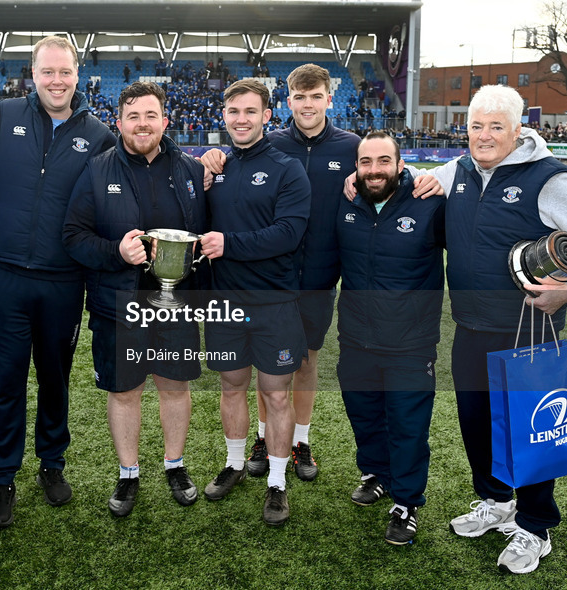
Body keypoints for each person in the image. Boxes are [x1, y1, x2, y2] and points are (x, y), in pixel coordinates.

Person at [399, 85, 567, 573]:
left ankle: (535, 527)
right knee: (477, 424)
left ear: (518, 130)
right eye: (476, 126)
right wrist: (365, 178)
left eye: (496, 126)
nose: (484, 135)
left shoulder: (548, 178)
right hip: (470, 326)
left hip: (530, 330)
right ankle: (496, 503)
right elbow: (410, 177)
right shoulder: (457, 171)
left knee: (536, 430)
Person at [0, 36, 116, 529]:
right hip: (5, 276)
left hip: (64, 282)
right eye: (47, 71)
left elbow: (141, 162)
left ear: (79, 73)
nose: (56, 81)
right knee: (5, 383)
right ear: (32, 73)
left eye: (65, 72)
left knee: (55, 382)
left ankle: (52, 465)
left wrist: (206, 162)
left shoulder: (98, 135)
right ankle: (2, 479)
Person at [201, 63, 360, 482]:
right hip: (265, 276)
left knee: (304, 360)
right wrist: (212, 157)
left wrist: (424, 180)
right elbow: (234, 163)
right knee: (262, 363)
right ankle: (263, 436)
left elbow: (389, 172)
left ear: (329, 98)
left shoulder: (351, 146)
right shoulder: (268, 143)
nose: (307, 105)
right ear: (286, 103)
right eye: (299, 97)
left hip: (318, 273)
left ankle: (299, 441)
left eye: (316, 96)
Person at [63, 81, 208, 517]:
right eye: (133, 117)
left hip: (175, 304)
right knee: (125, 390)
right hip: (117, 303)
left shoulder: (190, 170)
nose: (142, 124)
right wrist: (115, 252)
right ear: (119, 122)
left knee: (174, 386)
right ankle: (128, 473)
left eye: (150, 116)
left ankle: (175, 465)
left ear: (165, 121)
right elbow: (72, 237)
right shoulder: (97, 170)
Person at [199, 79, 311, 526]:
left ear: (267, 115)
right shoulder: (213, 167)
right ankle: (233, 463)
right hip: (224, 303)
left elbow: (289, 233)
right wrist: (203, 174)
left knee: (276, 393)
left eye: (250, 111)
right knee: (230, 385)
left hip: (274, 304)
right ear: (223, 117)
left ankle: (278, 483)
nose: (241, 119)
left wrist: (230, 244)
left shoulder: (287, 169)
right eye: (233, 112)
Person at [336, 132, 445, 546]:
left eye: (384, 161)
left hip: (410, 343)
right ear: (357, 167)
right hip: (356, 337)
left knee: (408, 425)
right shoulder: (346, 203)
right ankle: (377, 474)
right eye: (366, 162)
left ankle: (406, 502)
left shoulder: (429, 202)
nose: (374, 170)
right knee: (364, 415)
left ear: (401, 165)